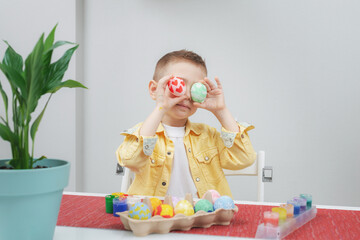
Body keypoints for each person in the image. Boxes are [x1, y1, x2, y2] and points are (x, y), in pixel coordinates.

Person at [116, 50, 256, 198]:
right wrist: (160, 107)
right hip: (156, 217)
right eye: (179, 85)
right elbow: (130, 160)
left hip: (202, 216)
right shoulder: (144, 133)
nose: (187, 95)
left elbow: (244, 159)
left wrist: (221, 111)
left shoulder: (207, 136)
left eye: (196, 88)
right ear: (154, 89)